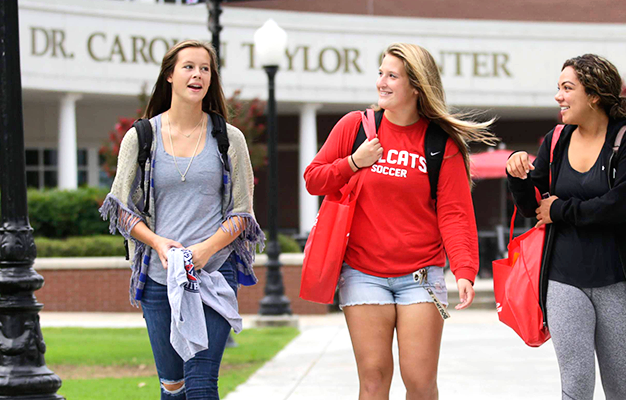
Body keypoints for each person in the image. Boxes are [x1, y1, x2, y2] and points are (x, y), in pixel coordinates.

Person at [304, 42, 497, 400]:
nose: (382, 82)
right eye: (380, 73)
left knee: (420, 383)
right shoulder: (356, 127)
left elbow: (454, 213)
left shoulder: (441, 142)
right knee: (374, 379)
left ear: (416, 86)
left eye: (392, 76)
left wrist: (466, 269)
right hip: (362, 272)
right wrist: (354, 162)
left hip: (420, 275)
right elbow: (314, 179)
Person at [99, 40, 264, 399]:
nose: (197, 75)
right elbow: (122, 208)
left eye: (205, 69)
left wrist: (206, 250)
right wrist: (157, 243)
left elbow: (243, 213)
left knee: (202, 382)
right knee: (173, 385)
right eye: (189, 67)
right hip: (160, 278)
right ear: (170, 75)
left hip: (214, 273)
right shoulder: (141, 137)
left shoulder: (229, 139)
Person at [506, 54, 626, 400]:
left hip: (619, 281)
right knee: (575, 384)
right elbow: (533, 207)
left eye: (567, 88)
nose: (558, 96)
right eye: (558, 88)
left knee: (620, 390)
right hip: (563, 279)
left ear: (594, 95)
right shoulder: (556, 139)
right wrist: (517, 177)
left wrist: (560, 209)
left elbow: (620, 206)